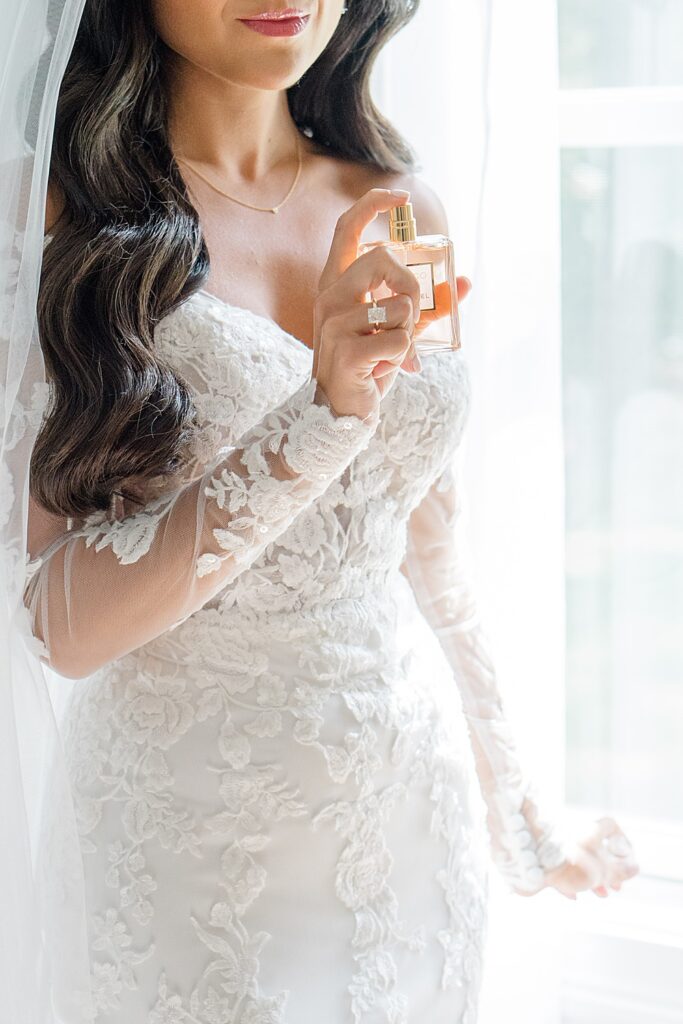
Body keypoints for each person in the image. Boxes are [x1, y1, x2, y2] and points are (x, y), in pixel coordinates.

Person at [8, 1, 639, 1021]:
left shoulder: (400, 205)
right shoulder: (57, 225)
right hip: (196, 851)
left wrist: (517, 812)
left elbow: (424, 535)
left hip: (404, 824)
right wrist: (318, 417)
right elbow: (58, 623)